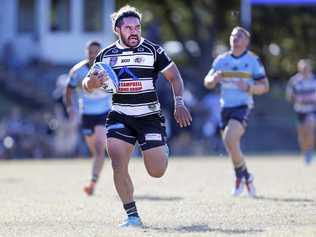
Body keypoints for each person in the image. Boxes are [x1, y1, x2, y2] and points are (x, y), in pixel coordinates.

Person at [82, 5, 192, 227]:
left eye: (137, 27)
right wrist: (91, 83)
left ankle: (161, 148)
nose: (134, 31)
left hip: (149, 116)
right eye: (128, 28)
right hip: (120, 115)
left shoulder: (153, 51)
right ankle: (132, 215)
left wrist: (179, 102)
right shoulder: (106, 55)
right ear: (117, 30)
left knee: (157, 171)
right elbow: (87, 83)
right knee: (116, 160)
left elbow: (175, 77)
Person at [204, 26, 269, 198]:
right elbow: (207, 81)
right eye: (233, 35)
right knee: (232, 147)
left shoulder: (253, 60)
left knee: (229, 139)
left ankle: (241, 177)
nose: (235, 38)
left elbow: (265, 86)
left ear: (246, 41)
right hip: (225, 108)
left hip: (243, 106)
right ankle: (245, 176)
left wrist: (249, 87)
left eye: (240, 36)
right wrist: (213, 79)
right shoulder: (221, 60)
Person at [64, 41, 112, 196]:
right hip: (86, 114)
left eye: (96, 52)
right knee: (94, 151)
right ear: (86, 53)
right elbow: (68, 90)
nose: (93, 55)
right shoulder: (77, 71)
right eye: (90, 52)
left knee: (99, 148)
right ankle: (96, 169)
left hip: (104, 112)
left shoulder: (108, 69)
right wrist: (70, 108)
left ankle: (92, 182)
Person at [286, 59, 316, 165]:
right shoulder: (294, 81)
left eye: (306, 68)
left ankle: (310, 152)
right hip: (299, 110)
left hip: (312, 110)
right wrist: (293, 97)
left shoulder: (314, 80)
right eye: (303, 68)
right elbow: (289, 96)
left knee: (310, 128)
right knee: (302, 134)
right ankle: (305, 153)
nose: (305, 70)